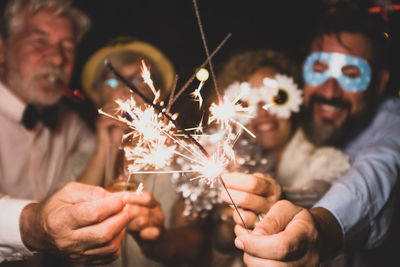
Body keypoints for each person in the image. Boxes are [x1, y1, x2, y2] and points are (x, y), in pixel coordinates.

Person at [229, 3, 400, 266]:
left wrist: (317, 230)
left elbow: (376, 174)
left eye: (351, 75)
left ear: (379, 84)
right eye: (319, 70)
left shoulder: (392, 125)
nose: (330, 91)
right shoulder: (289, 123)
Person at [0, 0, 162, 265]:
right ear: (2, 49)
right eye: (40, 41)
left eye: (67, 47)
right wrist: (34, 224)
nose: (57, 58)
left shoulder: (71, 124)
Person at [77, 37, 211, 267]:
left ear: (156, 91)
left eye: (137, 79)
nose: (125, 89)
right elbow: (68, 227)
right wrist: (104, 148)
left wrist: (162, 243)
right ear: (97, 96)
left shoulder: (184, 157)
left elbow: (197, 243)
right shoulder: (77, 160)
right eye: (112, 81)